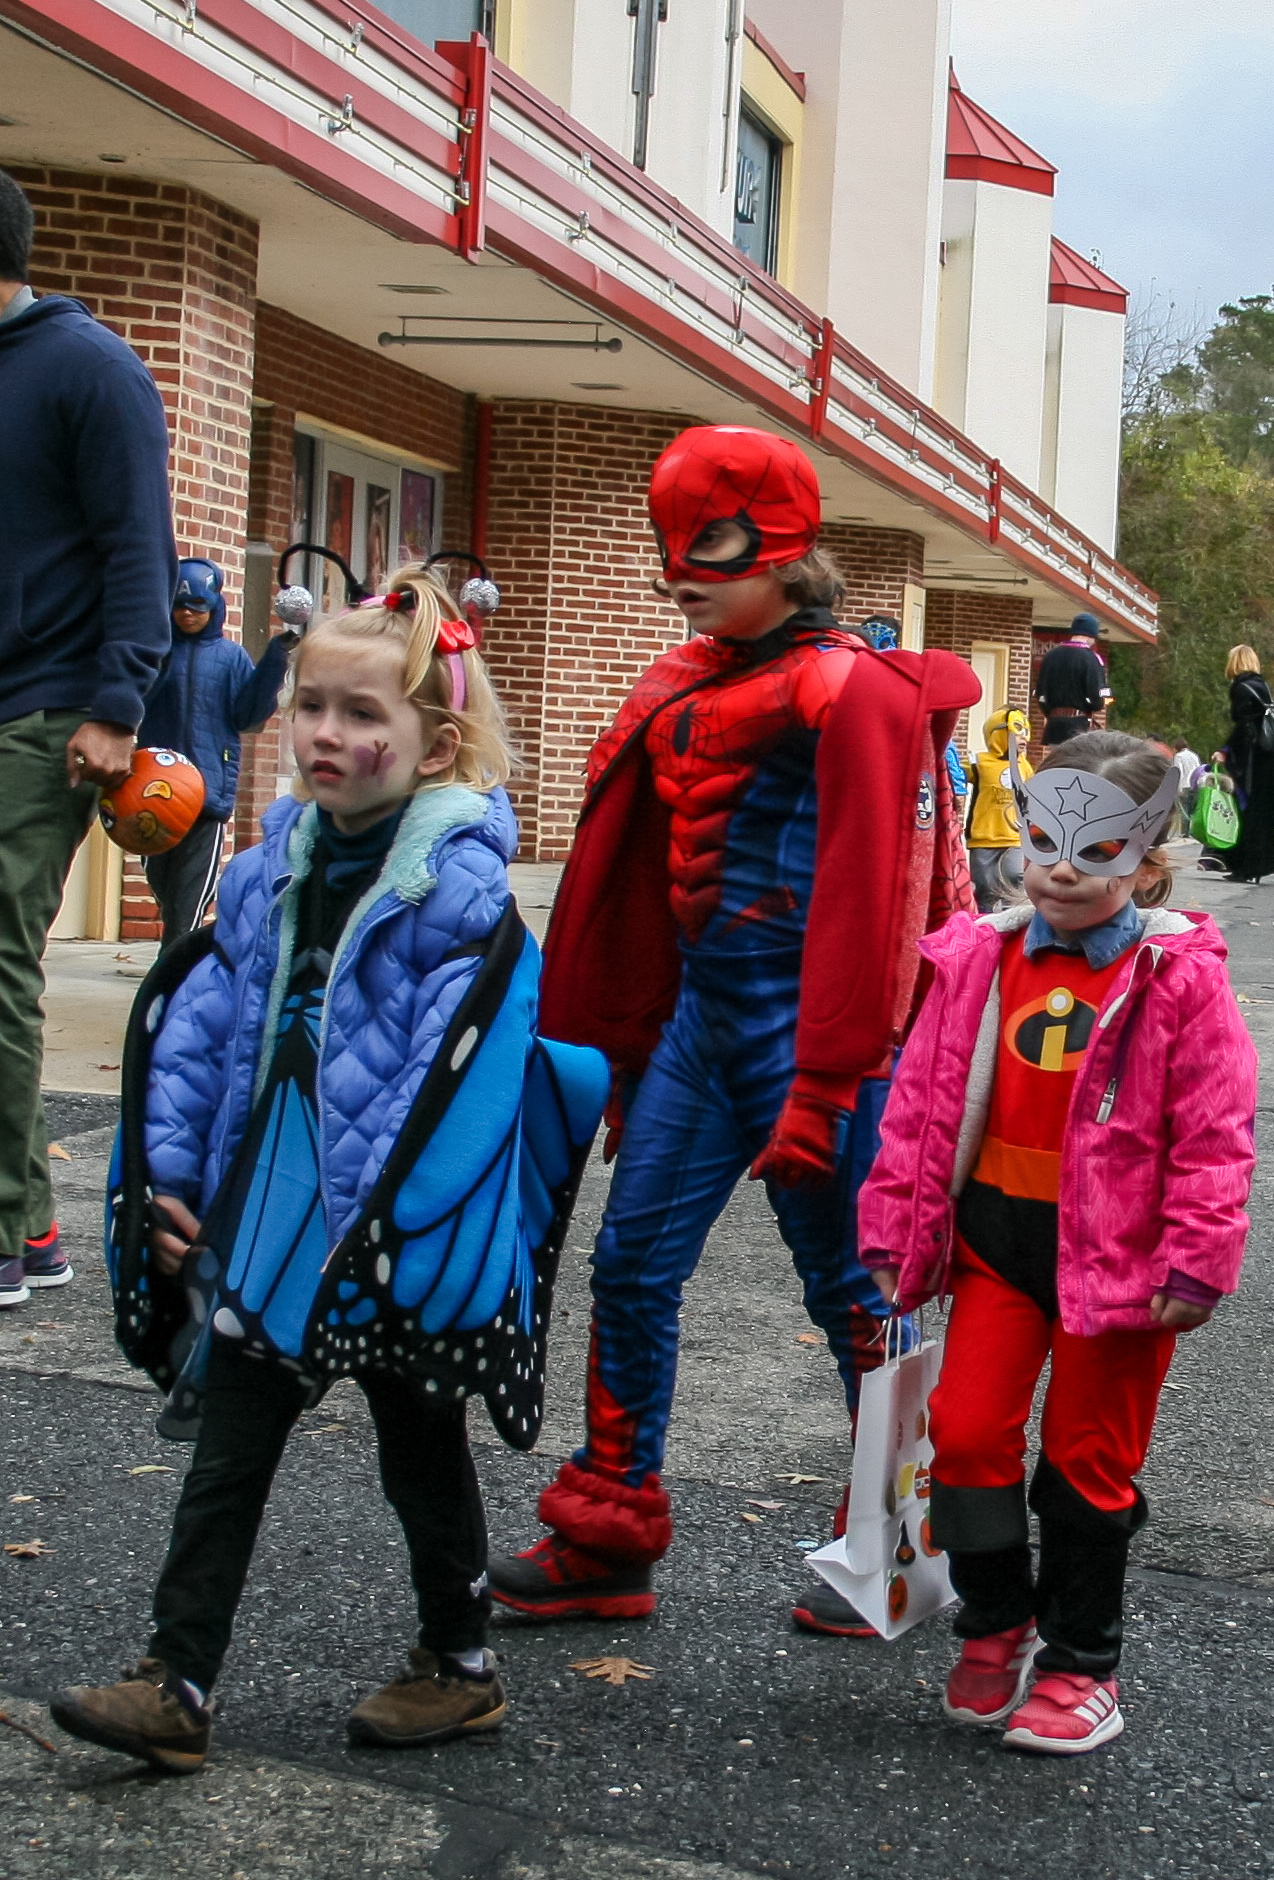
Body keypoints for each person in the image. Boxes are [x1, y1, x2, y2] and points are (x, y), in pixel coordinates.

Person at [49, 570, 604, 1774]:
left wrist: (380, 1233)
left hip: (388, 1231)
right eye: (309, 706)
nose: (325, 736)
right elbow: (201, 1033)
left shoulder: (455, 893)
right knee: (231, 1447)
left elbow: (445, 1082)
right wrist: (172, 1176)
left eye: (363, 715)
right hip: (274, 1210)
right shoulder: (267, 867)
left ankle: (458, 1665)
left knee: (419, 1443)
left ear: (434, 740)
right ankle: (177, 1679)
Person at [487, 427, 980, 1636]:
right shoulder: (682, 678)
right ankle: (607, 1529)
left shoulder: (843, 687)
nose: (677, 568)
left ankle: (899, 1547)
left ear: (784, 541)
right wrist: (620, 1036)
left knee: (855, 1292)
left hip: (814, 1031)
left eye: (705, 540)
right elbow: (640, 874)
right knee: (632, 1266)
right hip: (708, 1018)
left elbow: (872, 891)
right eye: (673, 542)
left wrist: (829, 1076)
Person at [857, 731, 1256, 1755]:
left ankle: (1082, 1661)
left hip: (1119, 1263)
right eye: (1042, 841)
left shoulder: (1178, 977)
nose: (1062, 869)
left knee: (1086, 1457)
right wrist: (894, 1226)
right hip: (997, 1243)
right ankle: (996, 1620)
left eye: (1096, 851)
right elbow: (920, 1105)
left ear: (1148, 862)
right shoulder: (975, 959)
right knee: (969, 1428)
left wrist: (1196, 1254)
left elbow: (1214, 1129)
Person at [0, 166, 173, 1310]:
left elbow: (139, 549)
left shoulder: (89, 368)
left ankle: (9, 1236)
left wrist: (118, 702)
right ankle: (32, 1224)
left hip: (48, 710)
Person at [138, 558, 297, 942]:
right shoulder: (156, 653)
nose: (188, 614)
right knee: (164, 888)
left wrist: (276, 659)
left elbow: (249, 716)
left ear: (214, 607)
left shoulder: (231, 657)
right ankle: (173, 962)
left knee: (190, 906)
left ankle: (172, 974)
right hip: (153, 794)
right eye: (179, 606)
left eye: (198, 606)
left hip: (205, 797)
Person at [1217, 644, 1274, 884]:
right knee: (1262, 810)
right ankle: (1259, 863)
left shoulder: (1241, 688)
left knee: (1245, 808)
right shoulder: (1262, 686)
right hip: (1266, 755)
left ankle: (1243, 864)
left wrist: (1226, 750)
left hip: (1250, 757)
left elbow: (1244, 726)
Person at [966, 706, 1033, 914]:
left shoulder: (1025, 766)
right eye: (1017, 732)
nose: (1023, 739)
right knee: (984, 885)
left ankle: (1011, 917)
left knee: (1014, 877)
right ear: (998, 733)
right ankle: (985, 921)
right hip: (983, 837)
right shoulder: (980, 763)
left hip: (1014, 836)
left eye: (1025, 733)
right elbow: (956, 775)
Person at [1035, 615, 1108, 745]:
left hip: (1054, 725)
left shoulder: (1050, 656)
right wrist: (1104, 701)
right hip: (1078, 725)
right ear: (1091, 635)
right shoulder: (1091, 659)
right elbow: (1098, 697)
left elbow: (1040, 693)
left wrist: (1050, 712)